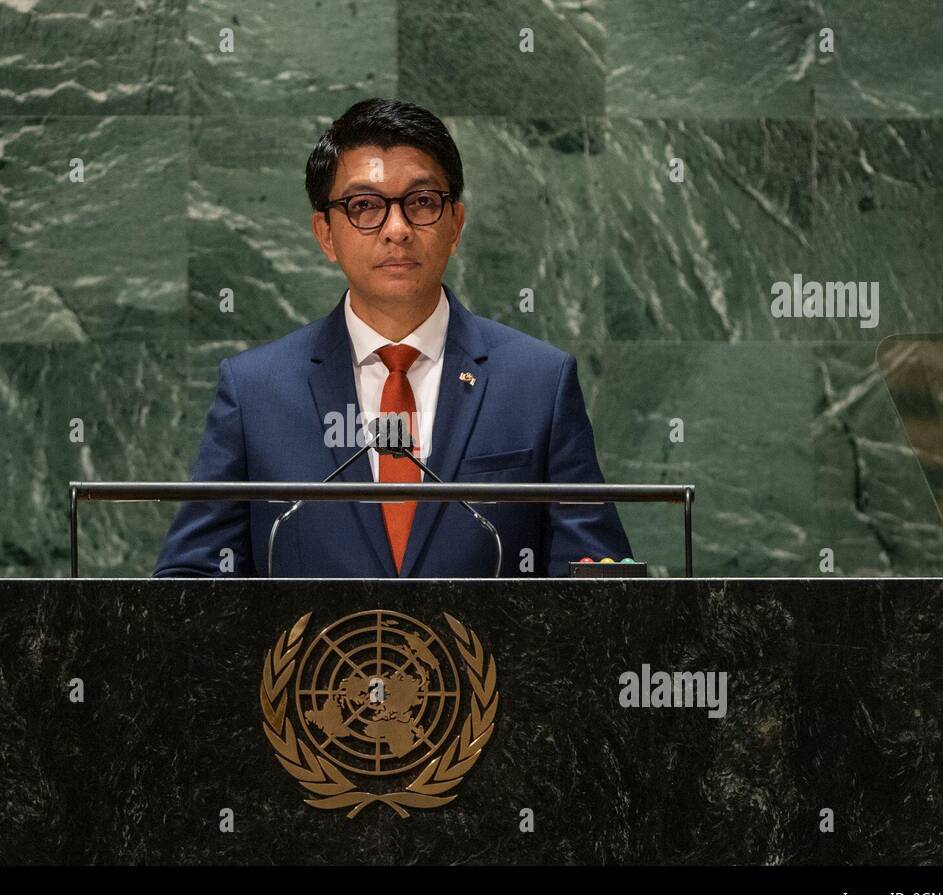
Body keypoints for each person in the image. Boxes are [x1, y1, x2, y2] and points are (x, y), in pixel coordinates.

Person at [153, 98, 632, 578]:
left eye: (422, 203)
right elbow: (190, 584)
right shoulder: (255, 392)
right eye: (364, 206)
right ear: (325, 234)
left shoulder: (538, 383)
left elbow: (594, 580)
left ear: (455, 225)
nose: (397, 229)